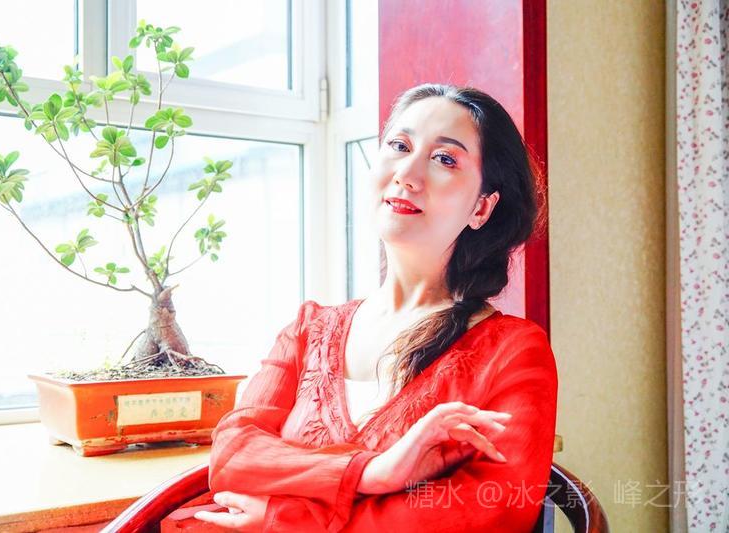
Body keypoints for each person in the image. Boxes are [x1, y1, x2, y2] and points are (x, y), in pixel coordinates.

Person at [192, 83, 558, 532]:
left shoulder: (513, 351)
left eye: (445, 159)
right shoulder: (310, 328)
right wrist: (372, 473)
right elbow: (233, 455)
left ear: (482, 207)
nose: (407, 173)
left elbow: (494, 508)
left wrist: (288, 520)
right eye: (399, 146)